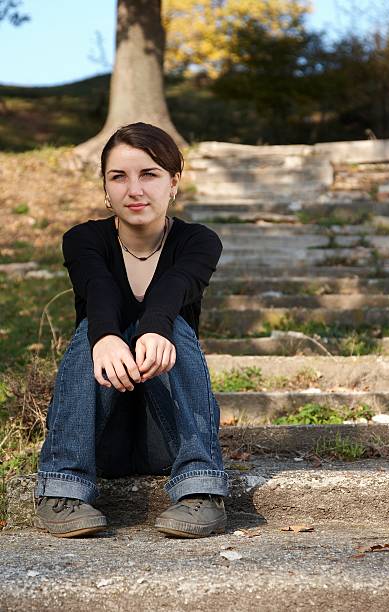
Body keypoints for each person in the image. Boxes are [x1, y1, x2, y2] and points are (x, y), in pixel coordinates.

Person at [34, 122, 229, 539]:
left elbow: (173, 288)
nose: (134, 189)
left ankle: (201, 487)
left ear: (173, 183)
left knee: (167, 324)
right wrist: (105, 337)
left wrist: (155, 330)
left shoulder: (199, 241)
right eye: (118, 177)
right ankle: (63, 487)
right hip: (97, 431)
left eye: (149, 174)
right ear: (105, 189)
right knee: (98, 326)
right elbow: (99, 288)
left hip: (171, 433)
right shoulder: (84, 239)